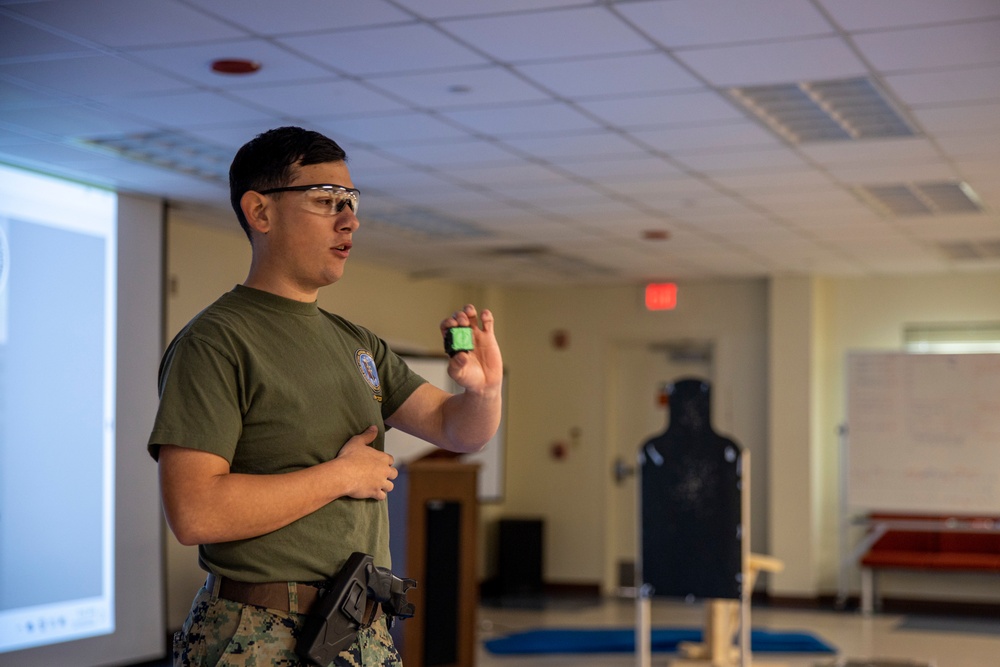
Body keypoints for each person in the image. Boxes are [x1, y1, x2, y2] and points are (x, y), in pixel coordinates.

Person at [147, 126, 503, 667]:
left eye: (351, 201)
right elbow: (195, 512)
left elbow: (460, 430)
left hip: (360, 626)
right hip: (257, 635)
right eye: (325, 201)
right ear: (260, 212)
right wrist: (341, 477)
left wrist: (484, 389)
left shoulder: (355, 342)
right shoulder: (216, 341)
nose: (350, 219)